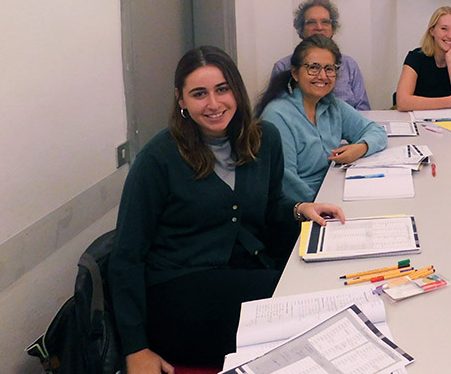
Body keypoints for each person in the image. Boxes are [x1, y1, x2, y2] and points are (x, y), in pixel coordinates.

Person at [110, 46, 345, 373]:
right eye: (199, 94)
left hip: (240, 268)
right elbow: (127, 256)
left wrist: (299, 209)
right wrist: (135, 349)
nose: (214, 104)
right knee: (300, 306)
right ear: (181, 101)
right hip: (178, 290)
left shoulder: (264, 139)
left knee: (321, 282)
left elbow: (270, 206)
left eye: (222, 89)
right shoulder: (158, 159)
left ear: (237, 89)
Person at [259, 35, 387, 203]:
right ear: (295, 73)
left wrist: (360, 148)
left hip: (335, 190)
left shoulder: (332, 105)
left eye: (329, 69)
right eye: (313, 68)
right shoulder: (277, 115)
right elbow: (287, 184)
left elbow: (376, 131)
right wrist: (327, 204)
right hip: (304, 209)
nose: (322, 76)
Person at [271, 0, 370, 110]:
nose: (319, 27)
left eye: (325, 22)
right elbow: (277, 111)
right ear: (301, 29)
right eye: (311, 22)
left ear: (333, 29)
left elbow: (364, 110)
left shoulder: (349, 65)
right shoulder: (283, 67)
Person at [395, 6, 451, 112]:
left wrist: (450, 59)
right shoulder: (415, 57)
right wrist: (450, 101)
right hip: (421, 119)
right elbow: (402, 102)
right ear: (432, 31)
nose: (450, 35)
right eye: (444, 29)